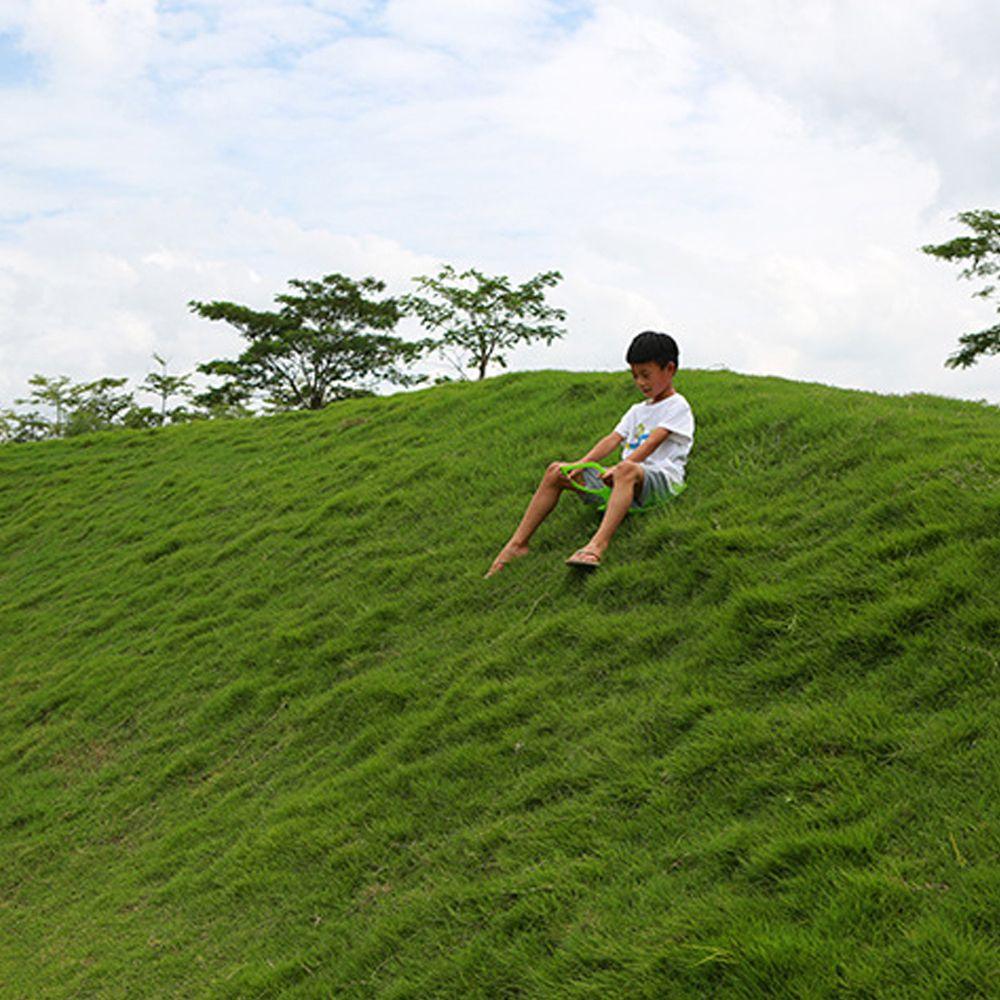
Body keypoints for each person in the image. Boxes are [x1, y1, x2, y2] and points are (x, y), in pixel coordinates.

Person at [485, 331, 695, 575]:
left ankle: (596, 546)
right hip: (624, 482)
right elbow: (612, 440)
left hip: (660, 481)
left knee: (627, 468)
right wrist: (580, 464)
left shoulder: (678, 406)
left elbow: (652, 443)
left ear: (669, 369)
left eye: (646, 375)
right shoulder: (637, 410)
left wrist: (618, 468)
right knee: (556, 470)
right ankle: (516, 545)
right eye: (635, 376)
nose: (640, 382)